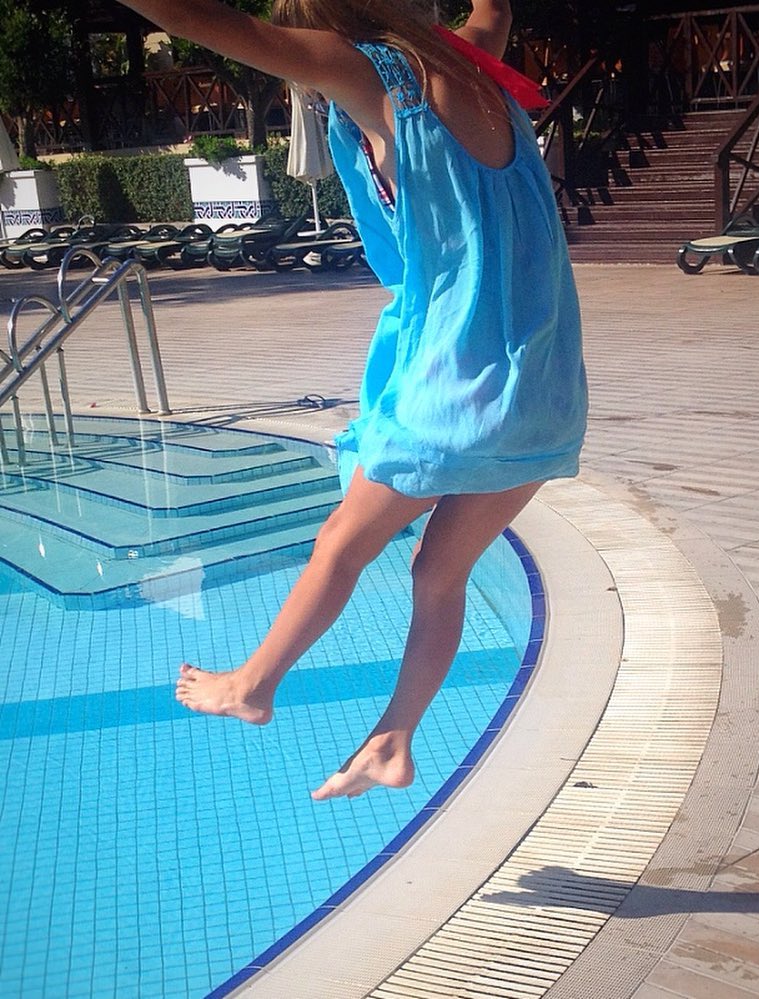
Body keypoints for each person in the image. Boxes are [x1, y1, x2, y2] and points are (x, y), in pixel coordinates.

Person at [116, 0, 588, 800]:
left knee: (340, 541)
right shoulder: (473, 61)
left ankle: (251, 685)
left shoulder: (375, 72)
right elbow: (495, 8)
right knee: (437, 571)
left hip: (457, 396)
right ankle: (390, 741)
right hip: (545, 393)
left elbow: (215, 26)